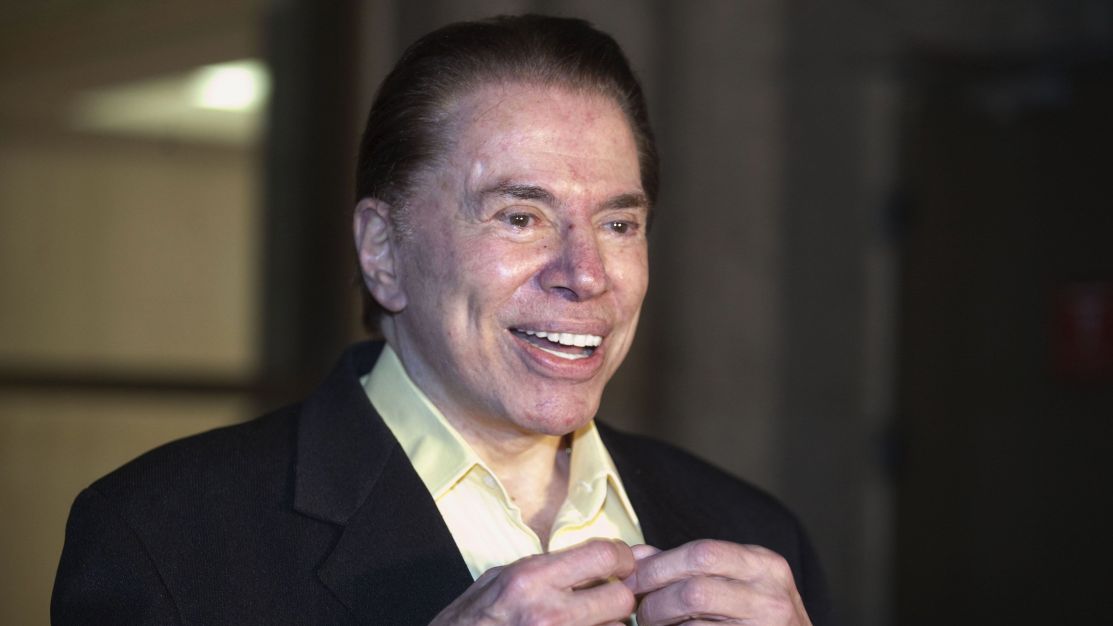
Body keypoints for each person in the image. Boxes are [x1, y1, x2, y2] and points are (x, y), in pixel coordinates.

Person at [53, 15, 832, 625]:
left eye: (618, 224)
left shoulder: (754, 533)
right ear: (382, 250)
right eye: (520, 217)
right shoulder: (164, 537)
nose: (586, 273)